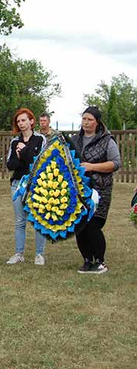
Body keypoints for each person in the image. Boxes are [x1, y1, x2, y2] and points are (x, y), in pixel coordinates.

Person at [71, 106, 120, 274]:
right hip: (78, 190)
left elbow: (115, 163)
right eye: (84, 118)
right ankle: (87, 260)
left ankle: (99, 261)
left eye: (89, 119)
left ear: (97, 122)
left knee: (93, 225)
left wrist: (91, 166)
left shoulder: (107, 140)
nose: (86, 122)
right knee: (79, 226)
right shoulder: (75, 140)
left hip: (100, 190)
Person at [6, 108, 47, 265]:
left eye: (24, 120)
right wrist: (19, 156)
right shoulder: (14, 142)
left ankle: (39, 254)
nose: (21, 124)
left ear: (31, 121)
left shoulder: (40, 140)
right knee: (19, 221)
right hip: (17, 184)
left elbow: (38, 162)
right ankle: (19, 253)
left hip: (36, 184)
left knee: (38, 219)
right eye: (18, 121)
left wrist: (24, 152)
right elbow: (11, 165)